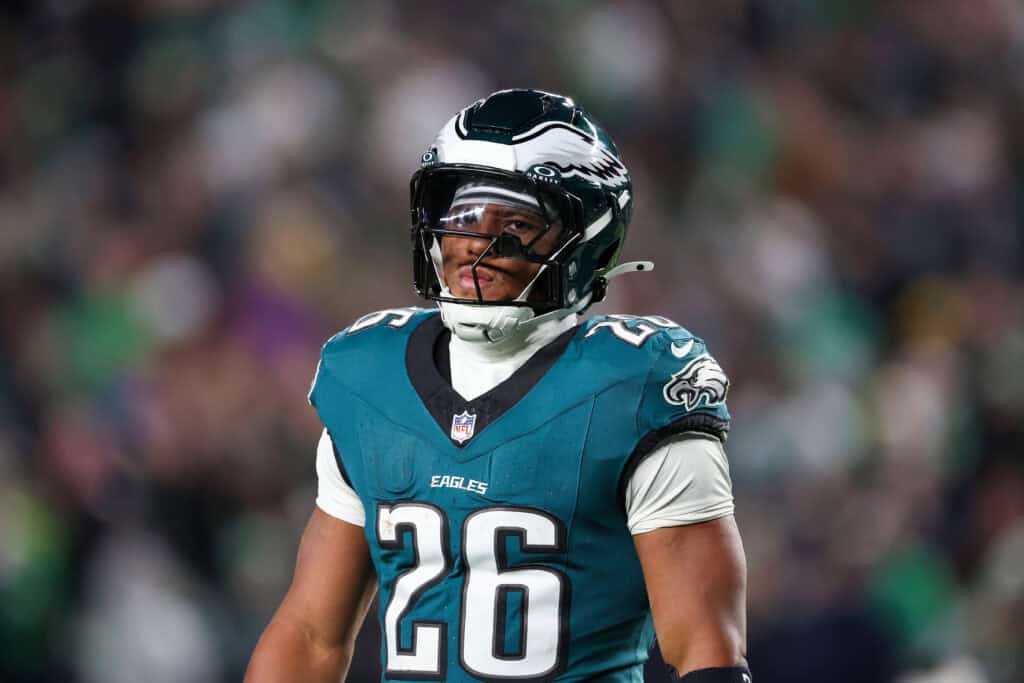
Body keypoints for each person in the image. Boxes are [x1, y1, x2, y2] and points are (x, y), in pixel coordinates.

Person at [245, 89, 750, 683]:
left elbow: (706, 652)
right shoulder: (369, 379)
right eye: (462, 216)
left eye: (515, 223)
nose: (477, 244)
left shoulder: (635, 384)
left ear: (587, 243)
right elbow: (311, 634)